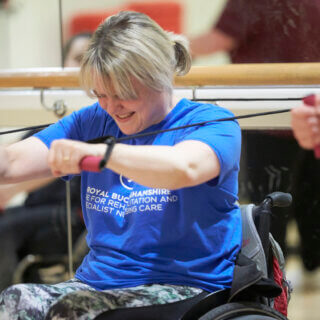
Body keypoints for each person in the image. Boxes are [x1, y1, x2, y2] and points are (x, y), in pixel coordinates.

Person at [0, 11, 241, 319]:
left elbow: (184, 168)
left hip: (188, 287)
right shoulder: (94, 120)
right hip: (98, 286)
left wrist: (103, 154)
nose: (112, 108)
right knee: (17, 299)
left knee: (75, 311)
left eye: (123, 95)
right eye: (101, 95)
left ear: (158, 74)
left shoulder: (212, 122)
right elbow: (10, 164)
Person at [191, 0, 320, 274]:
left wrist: (162, 48)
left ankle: (273, 275)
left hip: (272, 117)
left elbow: (217, 40)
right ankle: (307, 270)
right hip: (309, 110)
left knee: (272, 206)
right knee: (309, 201)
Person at [0, 32, 92, 291]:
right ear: (63, 65)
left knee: (4, 227)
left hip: (75, 216)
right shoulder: (51, 110)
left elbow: (67, 158)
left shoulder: (96, 114)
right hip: (35, 211)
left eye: (89, 58)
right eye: (77, 58)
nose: (83, 65)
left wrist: (11, 188)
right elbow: (13, 154)